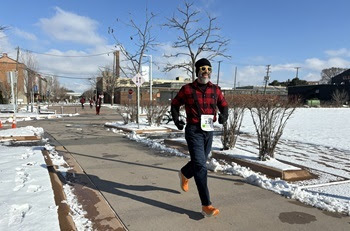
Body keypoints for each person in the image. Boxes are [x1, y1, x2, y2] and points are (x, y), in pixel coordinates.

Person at [171, 58, 228, 217]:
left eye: (208, 69)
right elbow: (175, 104)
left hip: (208, 130)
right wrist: (177, 119)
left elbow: (224, 105)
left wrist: (225, 116)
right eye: (203, 69)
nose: (206, 72)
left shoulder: (215, 90)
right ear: (197, 71)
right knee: (201, 166)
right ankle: (206, 205)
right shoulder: (187, 89)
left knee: (200, 160)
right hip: (193, 130)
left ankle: (184, 173)